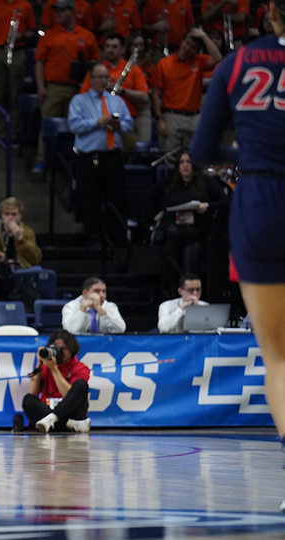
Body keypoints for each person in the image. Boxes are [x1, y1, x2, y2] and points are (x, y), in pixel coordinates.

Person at [189, 3, 285, 511]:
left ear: (271, 13)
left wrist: (247, 159)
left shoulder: (238, 62)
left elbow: (202, 151)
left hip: (262, 199)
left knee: (280, 357)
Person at [68, 63, 133, 244]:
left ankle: (118, 236)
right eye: (100, 77)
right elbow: (74, 125)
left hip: (112, 155)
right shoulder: (78, 101)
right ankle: (93, 237)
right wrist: (97, 122)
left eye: (107, 78)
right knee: (91, 197)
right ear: (91, 79)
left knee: (116, 196)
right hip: (90, 157)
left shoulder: (116, 101)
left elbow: (129, 124)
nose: (104, 81)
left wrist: (119, 125)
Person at [33, 0, 99, 172]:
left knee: (76, 126)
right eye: (56, 12)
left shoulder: (87, 36)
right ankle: (42, 160)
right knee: (47, 124)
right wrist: (41, 87)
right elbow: (39, 62)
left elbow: (95, 63)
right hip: (53, 87)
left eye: (61, 11)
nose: (57, 15)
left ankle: (73, 161)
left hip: (78, 89)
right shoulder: (48, 35)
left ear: (72, 12)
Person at [144, 150, 228, 275]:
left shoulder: (205, 181)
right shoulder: (170, 182)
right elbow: (147, 195)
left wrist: (207, 206)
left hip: (195, 234)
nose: (185, 165)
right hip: (171, 234)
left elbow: (225, 201)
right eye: (181, 162)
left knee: (189, 274)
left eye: (188, 162)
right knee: (170, 274)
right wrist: (155, 215)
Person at [152, 26, 222, 152]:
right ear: (181, 42)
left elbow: (218, 58)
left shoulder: (199, 61)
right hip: (171, 117)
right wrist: (159, 119)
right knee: (170, 158)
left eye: (193, 47)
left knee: (195, 159)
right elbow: (156, 94)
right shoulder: (164, 63)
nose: (188, 48)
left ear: (196, 50)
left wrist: (203, 36)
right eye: (187, 43)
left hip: (194, 117)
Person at [79, 33, 149, 147]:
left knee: (127, 158)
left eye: (114, 47)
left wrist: (121, 90)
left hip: (125, 123)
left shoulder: (134, 69)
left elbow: (144, 97)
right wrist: (101, 88)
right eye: (107, 46)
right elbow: (83, 96)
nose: (110, 50)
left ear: (122, 49)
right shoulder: (96, 71)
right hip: (99, 123)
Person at [0, 0, 37, 139]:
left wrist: (22, 36)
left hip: (17, 50)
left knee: (15, 95)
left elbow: (32, 31)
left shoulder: (25, 5)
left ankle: (14, 132)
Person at [22, 330, 91, 432]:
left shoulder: (80, 368)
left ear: (71, 349)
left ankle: (53, 419)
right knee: (28, 399)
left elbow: (69, 396)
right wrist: (39, 364)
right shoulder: (47, 365)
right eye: (56, 348)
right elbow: (33, 391)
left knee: (81, 384)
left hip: (71, 413)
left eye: (63, 349)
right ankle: (67, 425)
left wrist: (54, 369)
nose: (60, 352)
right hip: (50, 412)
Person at [0, 197, 42, 269]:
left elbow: (36, 259)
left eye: (14, 214)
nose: (10, 218)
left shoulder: (28, 232)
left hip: (21, 268)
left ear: (20, 215)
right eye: (6, 214)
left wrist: (21, 240)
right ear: (2, 215)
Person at [62, 276, 127, 333]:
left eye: (104, 291)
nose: (101, 295)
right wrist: (82, 309)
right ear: (85, 293)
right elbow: (69, 332)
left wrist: (100, 309)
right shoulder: (70, 307)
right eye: (97, 291)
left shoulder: (110, 306)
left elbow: (121, 329)